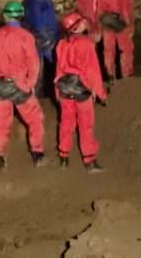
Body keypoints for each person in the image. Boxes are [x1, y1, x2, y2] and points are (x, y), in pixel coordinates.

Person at [0, 1, 47, 170]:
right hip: (20, 84)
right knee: (35, 119)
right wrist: (31, 83)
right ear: (21, 15)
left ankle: (1, 157)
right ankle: (37, 155)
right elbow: (34, 63)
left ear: (5, 16)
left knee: (2, 123)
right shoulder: (25, 36)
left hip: (0, 85)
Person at [55, 12, 106, 173]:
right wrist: (101, 93)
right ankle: (89, 161)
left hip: (64, 87)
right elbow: (93, 71)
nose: (85, 22)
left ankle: (63, 157)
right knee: (86, 125)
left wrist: (56, 90)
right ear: (77, 26)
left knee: (66, 122)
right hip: (81, 88)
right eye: (82, 21)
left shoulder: (61, 44)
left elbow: (58, 70)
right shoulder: (86, 44)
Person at [21, 0, 60, 96]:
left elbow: (27, 20)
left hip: (34, 35)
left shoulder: (27, 0)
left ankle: (38, 92)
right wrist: (48, 34)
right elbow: (42, 18)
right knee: (57, 63)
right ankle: (57, 91)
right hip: (46, 35)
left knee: (37, 66)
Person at [97, 0, 135, 85]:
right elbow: (125, 9)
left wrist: (100, 24)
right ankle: (127, 76)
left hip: (106, 22)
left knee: (108, 51)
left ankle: (110, 76)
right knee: (126, 49)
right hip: (120, 23)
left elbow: (99, 9)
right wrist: (129, 26)